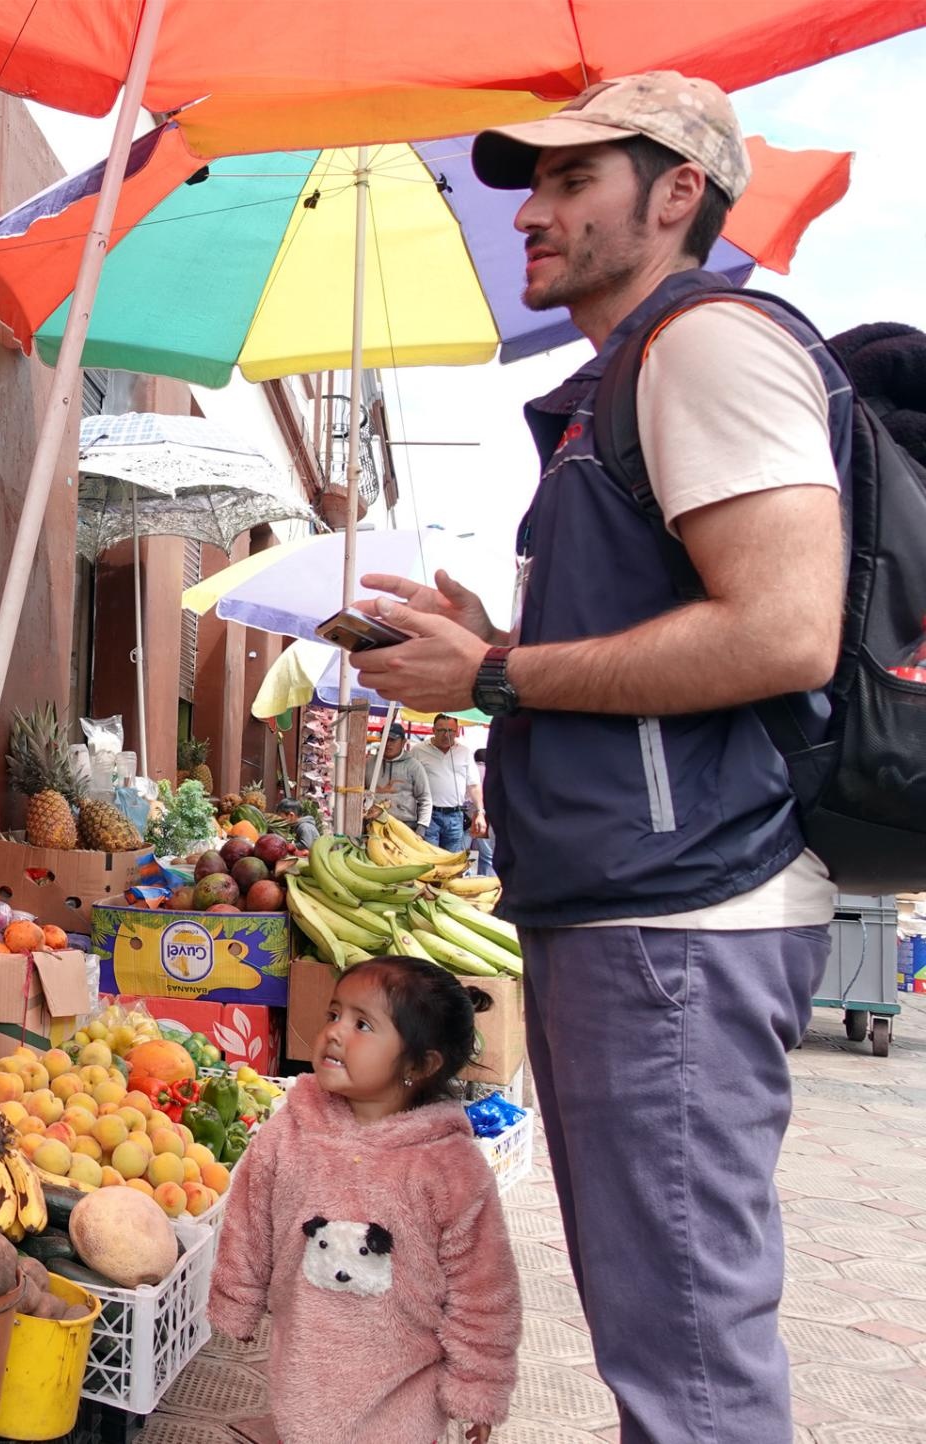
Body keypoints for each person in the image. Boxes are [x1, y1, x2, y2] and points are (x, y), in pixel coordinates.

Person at [352, 72, 843, 1444]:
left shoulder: (708, 346)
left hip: (679, 912)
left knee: (687, 1357)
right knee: (658, 1333)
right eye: (533, 187)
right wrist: (489, 639)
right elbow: (660, 644)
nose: (535, 215)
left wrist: (498, 673)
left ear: (678, 193)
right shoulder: (628, 381)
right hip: (631, 906)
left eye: (576, 183)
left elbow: (787, 629)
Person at [208, 957, 520, 1444]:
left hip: (404, 1379)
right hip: (306, 1356)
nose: (334, 1033)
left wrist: (478, 1386)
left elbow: (483, 1290)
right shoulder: (289, 1133)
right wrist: (237, 1300)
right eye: (334, 1014)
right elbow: (249, 1223)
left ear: (419, 1064)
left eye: (362, 1024)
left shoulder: (449, 1167)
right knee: (306, 1426)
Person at [409, 713, 482, 857]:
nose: (446, 735)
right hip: (427, 815)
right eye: (441, 730)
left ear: (457, 731)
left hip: (455, 815)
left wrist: (480, 812)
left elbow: (474, 785)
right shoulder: (418, 750)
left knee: (452, 861)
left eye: (450, 731)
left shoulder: (464, 752)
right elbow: (408, 781)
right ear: (433, 730)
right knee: (430, 860)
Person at [370, 724, 431, 831]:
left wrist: (422, 827)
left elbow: (425, 799)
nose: (388, 744)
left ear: (403, 742)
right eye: (385, 739)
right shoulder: (369, 764)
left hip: (406, 826)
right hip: (374, 824)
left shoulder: (414, 766)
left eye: (392, 740)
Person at [470, 749, 495, 877]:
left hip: (465, 815)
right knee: (486, 856)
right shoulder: (491, 772)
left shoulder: (471, 770)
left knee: (462, 851)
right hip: (484, 816)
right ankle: (485, 879)